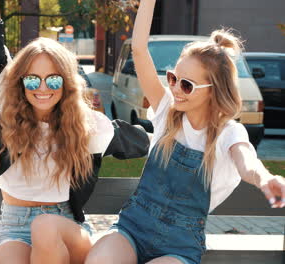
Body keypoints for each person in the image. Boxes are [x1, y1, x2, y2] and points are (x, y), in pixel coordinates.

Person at [85, 1, 285, 264]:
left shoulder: (229, 133)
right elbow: (139, 49)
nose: (176, 89)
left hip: (178, 247)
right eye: (172, 78)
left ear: (214, 89)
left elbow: (247, 163)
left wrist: (265, 179)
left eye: (187, 85)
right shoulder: (167, 111)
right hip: (132, 229)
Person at [0, 0, 150, 263]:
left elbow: (141, 143)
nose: (42, 88)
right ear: (20, 81)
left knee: (45, 226)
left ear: (66, 83)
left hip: (65, 229)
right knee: (6, 258)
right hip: (13, 226)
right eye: (32, 79)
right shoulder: (2, 107)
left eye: (53, 79)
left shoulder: (86, 125)